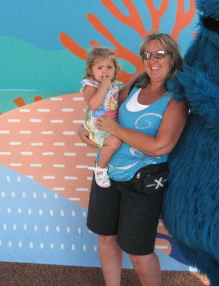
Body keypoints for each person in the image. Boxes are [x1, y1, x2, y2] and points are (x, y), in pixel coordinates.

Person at [78, 33, 188, 286]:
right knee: (106, 238)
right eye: (147, 55)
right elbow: (104, 112)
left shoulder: (177, 99)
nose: (153, 60)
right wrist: (83, 129)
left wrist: (115, 131)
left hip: (142, 183)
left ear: (172, 57)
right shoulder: (134, 85)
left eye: (160, 53)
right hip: (105, 174)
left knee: (139, 253)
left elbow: (160, 146)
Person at [80, 47, 124, 188]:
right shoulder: (91, 86)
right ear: (91, 70)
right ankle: (100, 168)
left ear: (115, 70)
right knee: (114, 142)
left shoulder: (116, 86)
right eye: (100, 67)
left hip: (112, 124)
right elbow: (93, 105)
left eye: (109, 67)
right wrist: (103, 87)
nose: (105, 71)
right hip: (97, 126)